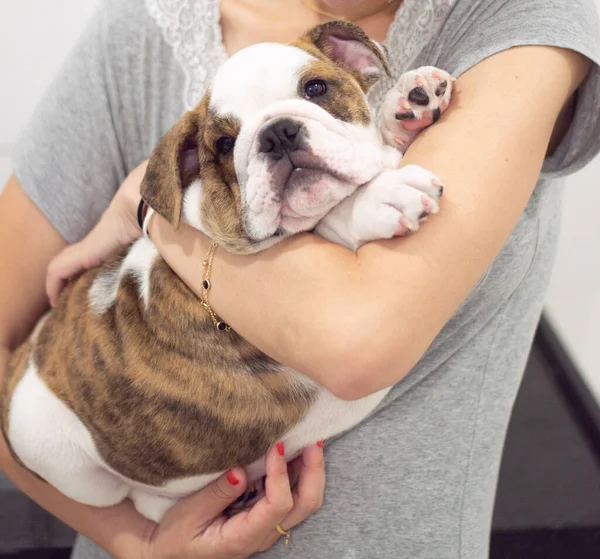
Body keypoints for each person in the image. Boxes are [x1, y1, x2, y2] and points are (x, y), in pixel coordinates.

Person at [1, 0, 600, 557]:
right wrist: (136, 542)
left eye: (315, 91)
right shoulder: (139, 32)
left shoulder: (516, 19)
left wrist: (154, 208)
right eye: (233, 141)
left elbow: (357, 339)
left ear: (357, 62)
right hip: (134, 476)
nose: (282, 139)